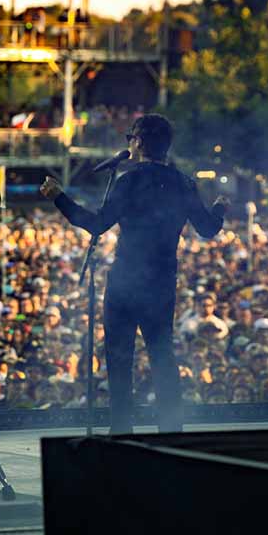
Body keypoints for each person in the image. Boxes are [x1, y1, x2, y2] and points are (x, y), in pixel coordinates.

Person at [39, 114, 229, 434]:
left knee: (119, 359)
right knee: (163, 357)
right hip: (162, 284)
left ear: (138, 143)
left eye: (131, 137)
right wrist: (220, 207)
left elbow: (97, 224)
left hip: (126, 282)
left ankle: (121, 431)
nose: (129, 142)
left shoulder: (129, 180)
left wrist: (59, 197)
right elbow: (208, 229)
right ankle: (172, 431)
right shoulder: (184, 183)